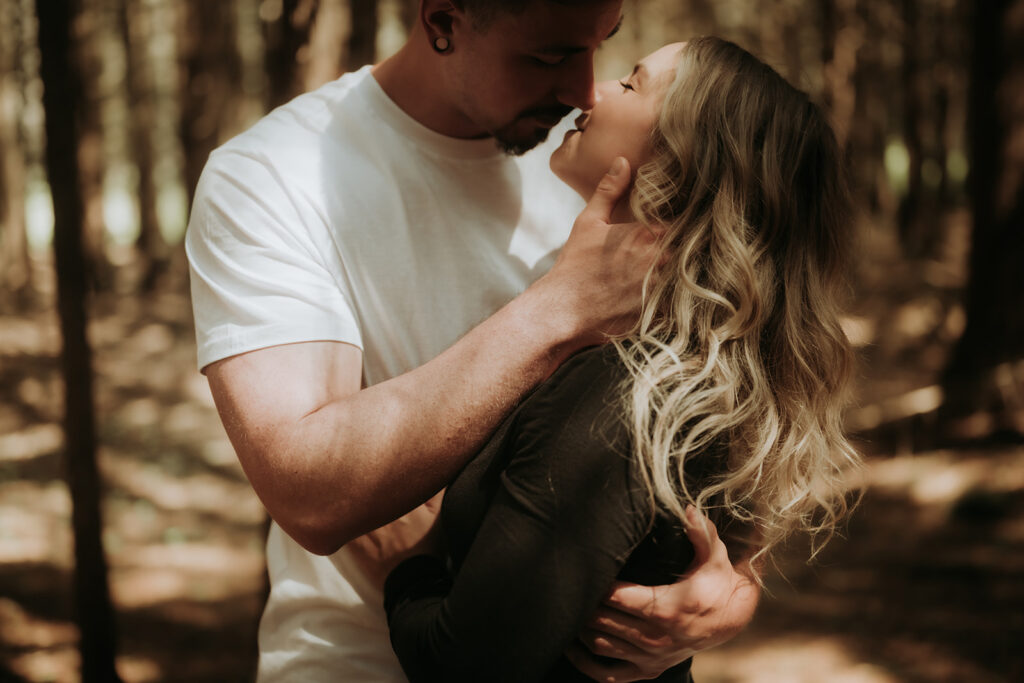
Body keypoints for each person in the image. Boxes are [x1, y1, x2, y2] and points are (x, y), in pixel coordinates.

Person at [186, 2, 759, 681]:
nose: (582, 89)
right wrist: (557, 310)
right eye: (547, 58)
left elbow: (695, 428)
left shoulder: (595, 147)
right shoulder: (274, 177)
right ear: (443, 22)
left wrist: (732, 593)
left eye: (599, 47)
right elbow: (307, 486)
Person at [382, 37, 861, 682]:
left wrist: (406, 566)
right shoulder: (694, 373)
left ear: (683, 161)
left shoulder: (622, 399)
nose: (594, 92)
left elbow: (463, 666)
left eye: (631, 84)